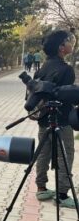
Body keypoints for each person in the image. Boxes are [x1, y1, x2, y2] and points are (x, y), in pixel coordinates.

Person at [34, 30, 76, 208]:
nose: (71, 44)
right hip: (62, 120)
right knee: (65, 155)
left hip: (44, 119)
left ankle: (41, 187)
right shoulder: (66, 69)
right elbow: (68, 96)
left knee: (43, 153)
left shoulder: (42, 68)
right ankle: (62, 194)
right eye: (68, 41)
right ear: (61, 48)